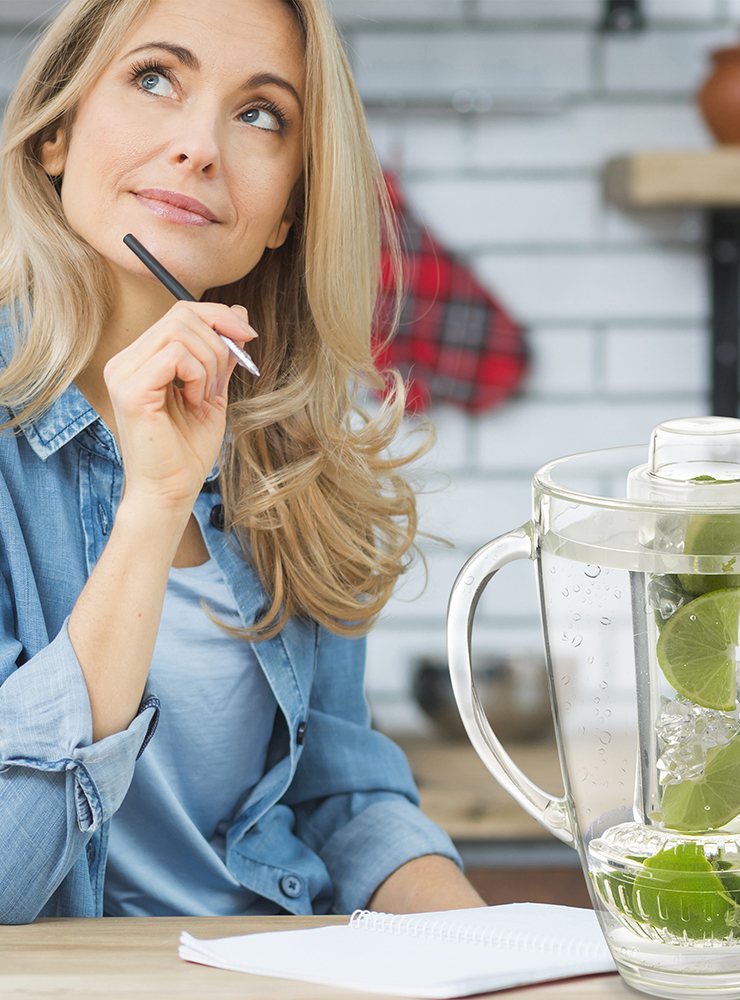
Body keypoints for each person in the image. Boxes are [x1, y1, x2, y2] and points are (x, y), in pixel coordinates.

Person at [0, 0, 485, 922]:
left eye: (260, 112)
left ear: (284, 211)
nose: (199, 146)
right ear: (57, 130)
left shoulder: (297, 447)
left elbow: (341, 794)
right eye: (154, 79)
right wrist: (155, 501)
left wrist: (489, 947)